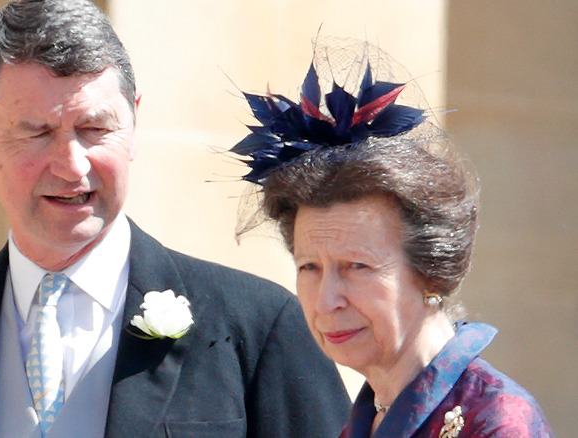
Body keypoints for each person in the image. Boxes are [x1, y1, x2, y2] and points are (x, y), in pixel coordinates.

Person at [0, 1, 351, 437]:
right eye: (35, 132)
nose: (71, 165)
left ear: (134, 123)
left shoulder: (259, 328)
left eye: (95, 128)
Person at [229, 38, 553, 437]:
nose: (326, 301)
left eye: (357, 267)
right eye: (309, 267)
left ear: (432, 271)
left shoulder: (496, 419)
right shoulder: (366, 420)